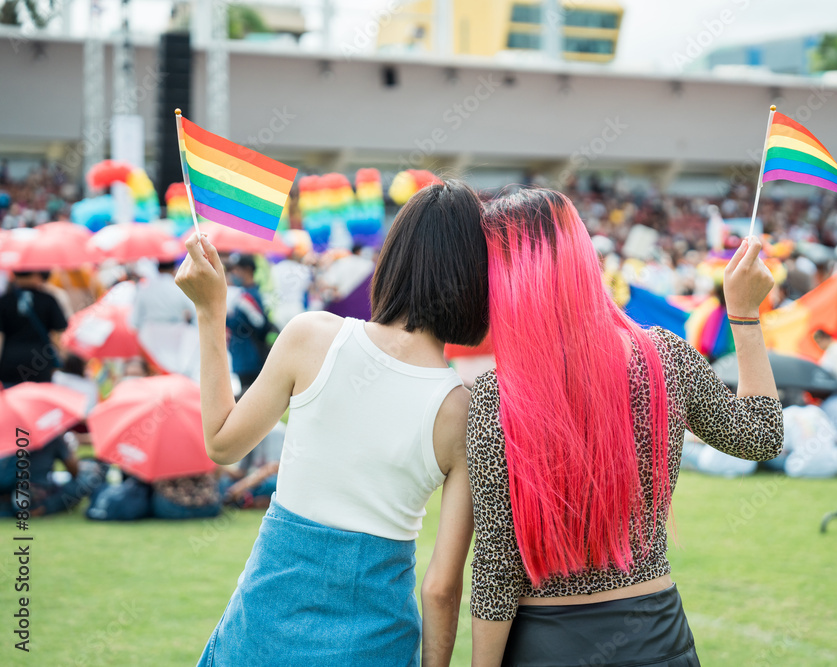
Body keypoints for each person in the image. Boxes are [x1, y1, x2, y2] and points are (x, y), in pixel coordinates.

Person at [175, 181, 489, 666]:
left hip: (263, 629)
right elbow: (442, 588)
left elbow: (221, 442)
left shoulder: (312, 336)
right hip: (374, 643)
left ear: (392, 258)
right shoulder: (462, 410)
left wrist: (209, 309)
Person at [466, 188, 783, 665]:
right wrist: (743, 315)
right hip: (656, 636)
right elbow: (762, 434)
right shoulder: (662, 357)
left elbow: (496, 568)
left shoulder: (496, 393)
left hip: (546, 644)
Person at [0, 270, 68, 386]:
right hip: (41, 362)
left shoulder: (5, 300)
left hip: (10, 362)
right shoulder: (48, 299)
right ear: (37, 274)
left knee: (11, 401)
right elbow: (60, 332)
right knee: (40, 400)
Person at [224, 253, 270, 393]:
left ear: (248, 270)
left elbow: (261, 324)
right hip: (241, 357)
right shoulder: (242, 294)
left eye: (237, 270)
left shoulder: (248, 296)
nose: (234, 274)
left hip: (250, 358)